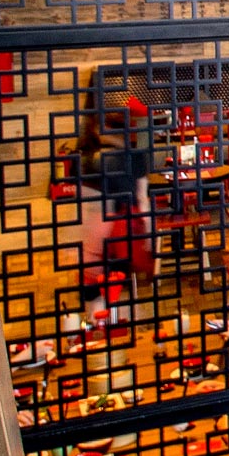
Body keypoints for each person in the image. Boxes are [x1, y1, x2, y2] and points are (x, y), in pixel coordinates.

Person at [73, 97, 154, 308]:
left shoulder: (93, 161)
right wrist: (147, 239)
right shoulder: (135, 158)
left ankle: (99, 317)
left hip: (102, 238)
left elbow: (89, 209)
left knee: (99, 300)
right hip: (124, 236)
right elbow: (142, 199)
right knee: (120, 292)